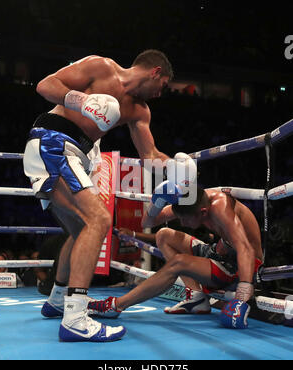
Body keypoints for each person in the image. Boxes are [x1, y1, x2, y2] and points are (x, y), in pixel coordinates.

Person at [23, 50, 193, 342]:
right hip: (53, 140)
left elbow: (149, 155)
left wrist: (177, 169)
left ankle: (57, 300)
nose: (160, 94)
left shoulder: (140, 111)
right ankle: (75, 318)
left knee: (80, 229)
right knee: (99, 220)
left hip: (76, 152)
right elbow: (45, 85)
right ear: (155, 72)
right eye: (162, 85)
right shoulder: (101, 67)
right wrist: (82, 101)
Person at [88, 185, 263, 329]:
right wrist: (157, 202)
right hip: (218, 254)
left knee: (179, 262)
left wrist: (241, 299)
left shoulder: (220, 207)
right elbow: (147, 223)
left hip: (241, 265)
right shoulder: (192, 202)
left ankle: (117, 305)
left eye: (184, 219)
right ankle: (196, 297)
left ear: (203, 212)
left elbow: (245, 248)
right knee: (163, 234)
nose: (182, 223)